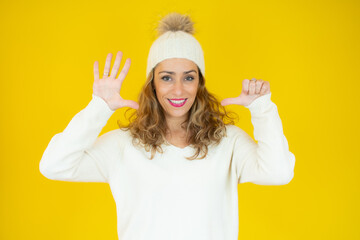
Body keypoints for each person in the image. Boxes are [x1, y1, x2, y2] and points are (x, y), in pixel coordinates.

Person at [39, 12, 295, 240]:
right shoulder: (123, 144)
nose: (178, 89)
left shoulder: (227, 141)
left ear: (200, 83)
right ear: (152, 84)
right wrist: (99, 108)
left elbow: (279, 173)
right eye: (166, 78)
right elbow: (54, 165)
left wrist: (262, 109)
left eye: (189, 77)